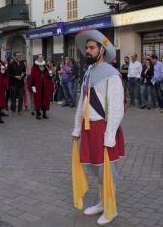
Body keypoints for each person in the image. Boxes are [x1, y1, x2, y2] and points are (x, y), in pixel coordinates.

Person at [72, 30, 124, 225]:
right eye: (86, 47)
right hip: (87, 127)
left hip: (103, 128)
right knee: (95, 168)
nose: (87, 50)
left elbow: (117, 108)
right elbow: (82, 102)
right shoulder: (88, 72)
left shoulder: (112, 75)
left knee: (106, 171)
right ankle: (103, 203)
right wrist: (76, 128)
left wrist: (109, 136)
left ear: (102, 50)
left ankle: (111, 209)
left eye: (91, 47)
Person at [29, 54, 54, 119]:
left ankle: (44, 114)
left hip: (45, 86)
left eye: (42, 57)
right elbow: (32, 78)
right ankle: (37, 113)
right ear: (37, 59)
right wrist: (32, 87)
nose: (41, 59)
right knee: (37, 100)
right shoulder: (34, 67)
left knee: (45, 100)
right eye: (40, 58)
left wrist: (50, 73)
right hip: (37, 86)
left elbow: (50, 77)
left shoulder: (46, 66)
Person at [8, 52, 26, 116]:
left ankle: (20, 110)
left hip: (21, 83)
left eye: (20, 55)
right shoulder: (11, 64)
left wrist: (23, 75)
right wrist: (15, 76)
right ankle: (13, 111)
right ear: (14, 56)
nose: (19, 56)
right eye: (18, 55)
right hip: (13, 83)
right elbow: (8, 74)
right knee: (13, 98)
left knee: (21, 98)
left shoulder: (22, 64)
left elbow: (24, 72)